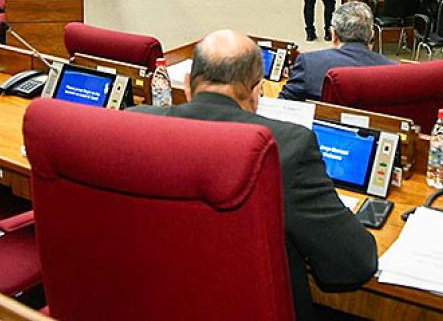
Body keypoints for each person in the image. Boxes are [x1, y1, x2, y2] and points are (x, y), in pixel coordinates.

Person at [130, 30, 378, 317]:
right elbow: (353, 263)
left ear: (187, 85)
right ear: (256, 91)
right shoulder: (286, 146)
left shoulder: (136, 124)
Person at [279, 2, 393, 101]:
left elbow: (283, 105)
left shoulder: (309, 63)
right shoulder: (393, 71)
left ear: (334, 34)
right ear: (372, 35)